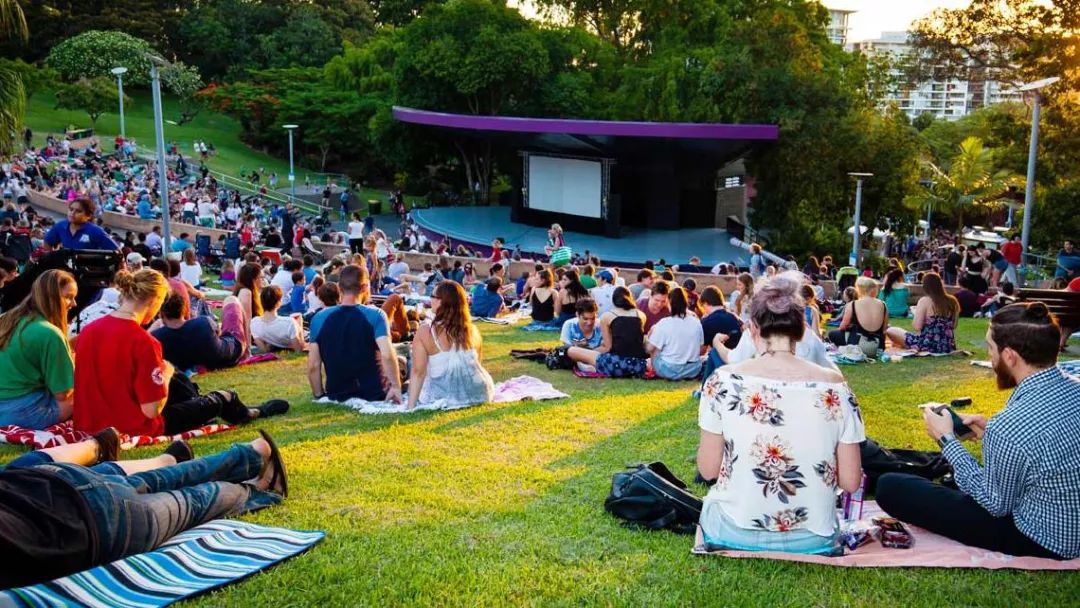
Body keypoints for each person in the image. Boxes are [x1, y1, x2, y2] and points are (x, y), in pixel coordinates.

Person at [877, 302, 1080, 559]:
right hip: (1066, 520)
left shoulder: (1009, 425)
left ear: (1009, 356)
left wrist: (947, 440)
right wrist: (988, 430)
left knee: (891, 487)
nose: (990, 357)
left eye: (990, 348)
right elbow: (1051, 441)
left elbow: (995, 504)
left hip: (1043, 539)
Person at [696, 274, 864, 555]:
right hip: (814, 537)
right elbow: (850, 482)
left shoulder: (721, 381)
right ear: (801, 329)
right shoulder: (836, 387)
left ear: (752, 328)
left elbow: (707, 470)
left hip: (733, 530)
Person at [0, 431, 288, 589]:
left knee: (192, 503)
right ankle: (249, 453)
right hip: (54, 478)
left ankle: (258, 489)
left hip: (96, 523)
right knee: (160, 479)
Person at [74, 270, 286, 436]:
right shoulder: (143, 342)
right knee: (222, 397)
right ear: (153, 301)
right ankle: (253, 412)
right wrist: (164, 374)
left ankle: (198, 404)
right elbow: (151, 410)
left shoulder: (89, 331)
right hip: (134, 425)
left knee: (176, 379)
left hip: (93, 422)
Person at [307, 264, 403, 403]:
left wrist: (319, 395)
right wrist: (396, 387)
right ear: (364, 288)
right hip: (374, 392)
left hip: (337, 392)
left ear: (339, 287)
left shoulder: (319, 318)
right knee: (404, 360)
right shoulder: (375, 315)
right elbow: (387, 354)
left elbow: (313, 365)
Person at [0, 270, 77, 428]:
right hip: (22, 412)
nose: (74, 303)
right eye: (68, 297)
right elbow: (63, 394)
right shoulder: (50, 333)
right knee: (89, 391)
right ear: (52, 297)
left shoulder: (6, 319)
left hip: (4, 405)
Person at [406, 281, 495, 410]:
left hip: (445, 395)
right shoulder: (472, 330)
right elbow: (477, 364)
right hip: (481, 392)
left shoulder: (426, 331)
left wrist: (410, 407)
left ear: (442, 302)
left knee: (410, 362)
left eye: (433, 296)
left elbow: (418, 372)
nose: (430, 299)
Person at [151, 290, 247, 370]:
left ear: (161, 313)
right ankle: (248, 352)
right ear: (183, 310)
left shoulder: (158, 337)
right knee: (232, 300)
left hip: (200, 364)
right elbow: (219, 333)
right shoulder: (203, 322)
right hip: (228, 355)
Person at [566, 287, 648, 378]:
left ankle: (589, 365)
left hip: (614, 364)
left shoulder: (607, 316)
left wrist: (588, 352)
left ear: (613, 301)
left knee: (572, 350)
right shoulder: (641, 315)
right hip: (639, 365)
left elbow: (608, 348)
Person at [885, 272, 959, 354]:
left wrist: (915, 313)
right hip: (947, 345)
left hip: (925, 345)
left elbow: (917, 327)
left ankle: (901, 346)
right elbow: (954, 325)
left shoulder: (925, 301)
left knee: (891, 330)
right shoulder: (953, 301)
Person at [646, 287, 703, 380]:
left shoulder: (664, 323)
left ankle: (652, 370)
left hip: (668, 370)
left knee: (655, 348)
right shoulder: (696, 322)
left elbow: (649, 349)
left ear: (669, 303)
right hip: (693, 370)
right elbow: (700, 349)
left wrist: (650, 335)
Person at [827, 276, 887, 352]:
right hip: (878, 345)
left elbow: (842, 327)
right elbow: (884, 330)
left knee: (832, 334)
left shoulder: (852, 304)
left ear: (859, 289)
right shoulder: (883, 305)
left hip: (858, 345)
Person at [43, 197, 118, 251]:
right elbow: (47, 242)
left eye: (78, 211)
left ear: (88, 216)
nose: (72, 213)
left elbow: (117, 251)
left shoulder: (96, 231)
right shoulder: (60, 226)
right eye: (71, 209)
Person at [251, 286, 306, 352]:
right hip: (290, 343)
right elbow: (299, 349)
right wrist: (300, 326)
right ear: (278, 303)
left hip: (275, 344)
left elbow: (264, 350)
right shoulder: (289, 323)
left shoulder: (254, 323)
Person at [233, 262, 264, 347]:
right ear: (253, 279)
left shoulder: (247, 291)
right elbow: (247, 322)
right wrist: (248, 347)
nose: (263, 280)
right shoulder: (246, 292)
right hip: (250, 338)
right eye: (261, 277)